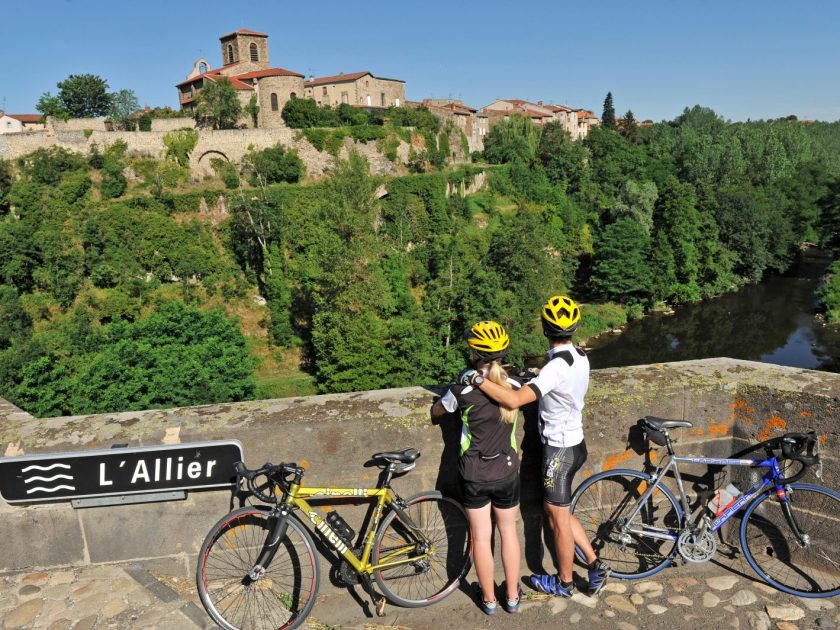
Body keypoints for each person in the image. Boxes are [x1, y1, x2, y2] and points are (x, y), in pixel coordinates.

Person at [466, 296, 611, 597]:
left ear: (545, 327)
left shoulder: (555, 367)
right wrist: (539, 377)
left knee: (557, 518)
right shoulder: (580, 355)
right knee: (562, 511)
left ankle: (565, 583)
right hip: (575, 443)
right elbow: (559, 384)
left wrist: (477, 379)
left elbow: (514, 400)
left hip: (558, 451)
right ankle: (595, 564)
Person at [431, 321, 523, 615]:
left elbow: (437, 411)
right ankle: (512, 597)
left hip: (474, 473)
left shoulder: (461, 390)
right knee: (508, 532)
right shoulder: (516, 385)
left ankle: (489, 600)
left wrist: (458, 385)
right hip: (507, 471)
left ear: (473, 352)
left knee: (481, 537)